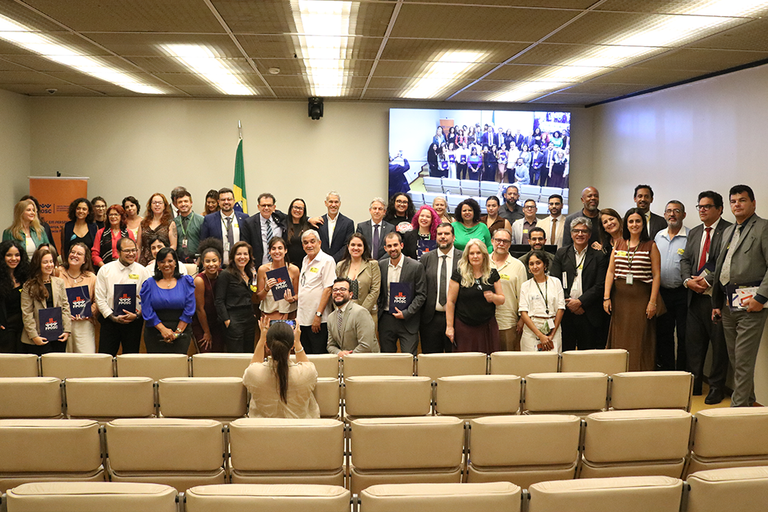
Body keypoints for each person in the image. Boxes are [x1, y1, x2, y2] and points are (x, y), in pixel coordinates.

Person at [712, 185, 768, 407]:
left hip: (751, 305)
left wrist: (761, 298)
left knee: (743, 361)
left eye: (742, 200)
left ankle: (736, 412)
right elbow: (721, 268)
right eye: (733, 201)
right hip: (727, 304)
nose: (737, 204)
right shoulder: (728, 231)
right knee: (737, 361)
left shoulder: (763, 228)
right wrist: (716, 302)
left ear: (753, 203)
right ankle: (748, 404)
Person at [681, 191, 731, 403]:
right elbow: (685, 260)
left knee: (719, 347)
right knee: (694, 345)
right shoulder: (694, 232)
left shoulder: (729, 230)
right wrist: (688, 281)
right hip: (694, 298)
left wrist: (707, 281)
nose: (702, 210)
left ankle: (717, 388)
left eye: (707, 206)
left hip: (717, 299)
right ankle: (695, 384)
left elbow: (724, 260)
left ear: (719, 209)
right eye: (699, 206)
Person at [604, 208, 662, 371]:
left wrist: (652, 302)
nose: (634, 224)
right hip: (620, 299)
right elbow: (610, 271)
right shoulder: (619, 243)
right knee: (620, 338)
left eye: (638, 221)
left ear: (643, 224)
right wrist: (606, 297)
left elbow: (657, 275)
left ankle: (639, 374)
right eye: (631, 221)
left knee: (640, 339)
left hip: (641, 299)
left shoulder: (651, 246)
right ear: (626, 224)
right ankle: (618, 372)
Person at [243, 316, 320, 419]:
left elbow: (253, 366)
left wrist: (262, 339)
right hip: (300, 433)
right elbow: (306, 365)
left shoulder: (254, 373)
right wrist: (298, 342)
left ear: (267, 345)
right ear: (292, 345)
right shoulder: (307, 372)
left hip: (262, 433)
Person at [551, 218, 609, 351]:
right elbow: (555, 280)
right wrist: (569, 303)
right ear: (571, 234)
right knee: (566, 351)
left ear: (589, 235)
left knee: (587, 353)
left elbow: (600, 285)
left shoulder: (599, 256)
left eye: (584, 231)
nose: (580, 234)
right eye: (576, 231)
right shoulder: (562, 253)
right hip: (566, 311)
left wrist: (580, 302)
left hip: (588, 311)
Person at [445, 238, 504, 354]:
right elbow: (450, 302)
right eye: (472, 253)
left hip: (487, 326)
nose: (475, 256)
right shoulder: (458, 274)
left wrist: (493, 297)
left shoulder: (492, 274)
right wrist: (449, 327)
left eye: (478, 253)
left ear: (484, 255)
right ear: (467, 256)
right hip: (464, 326)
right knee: (466, 363)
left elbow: (501, 299)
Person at [95, 237, 147, 356]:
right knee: (105, 358)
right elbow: (100, 298)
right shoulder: (105, 270)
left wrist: (138, 315)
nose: (131, 254)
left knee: (131, 360)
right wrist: (112, 316)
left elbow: (147, 298)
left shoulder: (143, 271)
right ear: (118, 252)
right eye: (127, 251)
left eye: (134, 250)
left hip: (134, 321)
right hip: (110, 321)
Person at [377, 232, 426, 355]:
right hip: (386, 319)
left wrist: (407, 313)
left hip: (408, 320)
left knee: (409, 359)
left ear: (402, 245)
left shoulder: (416, 267)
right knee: (387, 360)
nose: (393, 249)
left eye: (395, 245)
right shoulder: (380, 265)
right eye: (389, 246)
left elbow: (421, 295)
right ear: (385, 248)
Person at [654, 201, 689, 371]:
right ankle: (667, 371)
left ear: (684, 215)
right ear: (664, 215)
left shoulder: (691, 236)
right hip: (662, 294)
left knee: (684, 335)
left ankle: (682, 372)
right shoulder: (658, 236)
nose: (672, 214)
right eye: (668, 211)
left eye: (676, 211)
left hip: (683, 294)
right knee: (664, 334)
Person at [140, 247, 195, 354]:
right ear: (158, 265)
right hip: (155, 331)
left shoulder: (186, 281)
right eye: (162, 262)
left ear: (176, 263)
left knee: (179, 368)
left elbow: (189, 309)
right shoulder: (149, 284)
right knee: (157, 368)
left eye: (170, 261)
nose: (166, 264)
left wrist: (177, 333)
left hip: (181, 331)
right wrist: (163, 330)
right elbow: (147, 310)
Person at [420, 223, 462, 354]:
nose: (443, 237)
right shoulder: (426, 258)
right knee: (430, 360)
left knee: (454, 360)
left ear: (454, 237)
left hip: (457, 318)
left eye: (447, 234)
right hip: (430, 319)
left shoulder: (463, 259)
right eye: (440, 234)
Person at [20, 246, 71, 354]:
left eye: (51, 261)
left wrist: (66, 330)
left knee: (56, 368)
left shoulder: (59, 282)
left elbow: (65, 307)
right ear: (38, 264)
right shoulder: (28, 286)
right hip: (38, 337)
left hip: (58, 335)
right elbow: (27, 313)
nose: (49, 265)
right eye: (45, 262)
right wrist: (34, 336)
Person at [297, 230, 336, 354]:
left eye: (312, 241)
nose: (309, 245)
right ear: (302, 246)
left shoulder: (327, 261)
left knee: (318, 356)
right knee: (305, 355)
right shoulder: (304, 260)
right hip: (303, 319)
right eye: (306, 242)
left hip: (318, 320)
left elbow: (328, 289)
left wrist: (318, 315)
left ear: (319, 242)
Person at [214, 241, 257, 353]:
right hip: (233, 319)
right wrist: (227, 320)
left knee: (249, 353)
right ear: (233, 256)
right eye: (239, 254)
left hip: (248, 318)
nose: (242, 257)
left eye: (245, 254)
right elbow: (219, 300)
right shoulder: (226, 274)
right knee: (236, 355)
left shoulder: (249, 274)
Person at [519, 250, 565, 352]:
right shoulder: (525, 285)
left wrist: (551, 334)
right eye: (531, 264)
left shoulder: (555, 282)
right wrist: (540, 336)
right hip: (532, 332)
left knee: (552, 364)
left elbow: (561, 308)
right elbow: (523, 312)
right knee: (532, 365)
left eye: (538, 263)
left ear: (545, 265)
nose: (535, 266)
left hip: (553, 329)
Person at [490, 228, 528, 351]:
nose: (501, 244)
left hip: (507, 322)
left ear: (510, 244)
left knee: (507, 362)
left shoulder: (518, 266)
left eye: (505, 241)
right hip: (484, 321)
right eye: (498, 240)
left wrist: (522, 320)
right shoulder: (483, 262)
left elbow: (523, 296)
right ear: (492, 241)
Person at [59, 242, 98, 353]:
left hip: (84, 324)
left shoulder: (91, 277)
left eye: (79, 254)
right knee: (65, 360)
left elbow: (97, 301)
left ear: (85, 260)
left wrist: (88, 312)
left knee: (87, 359)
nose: (74, 255)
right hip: (63, 323)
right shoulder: (58, 273)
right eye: (73, 252)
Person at [327, 277, 379, 356]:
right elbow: (330, 345)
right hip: (345, 363)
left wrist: (348, 357)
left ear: (351, 294)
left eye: (342, 289)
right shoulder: (330, 317)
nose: (338, 292)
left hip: (367, 362)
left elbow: (366, 345)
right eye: (335, 290)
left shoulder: (360, 312)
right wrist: (339, 353)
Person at [336, 233, 380, 319]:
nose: (356, 248)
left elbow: (375, 290)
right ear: (348, 247)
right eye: (353, 245)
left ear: (364, 247)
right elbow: (336, 290)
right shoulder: (340, 266)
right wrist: (340, 310)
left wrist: (361, 312)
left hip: (367, 313)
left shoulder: (373, 265)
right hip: (344, 315)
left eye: (359, 245)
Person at [200, 188, 249, 265]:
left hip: (240, 265)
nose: (226, 202)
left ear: (234, 201)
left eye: (229, 199)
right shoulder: (209, 219)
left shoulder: (244, 218)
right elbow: (204, 243)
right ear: (218, 202)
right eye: (223, 200)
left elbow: (248, 242)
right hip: (218, 266)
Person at [192, 239, 226, 353]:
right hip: (202, 323)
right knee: (206, 352)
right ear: (202, 262)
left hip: (218, 322)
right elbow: (199, 309)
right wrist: (206, 332)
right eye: (207, 261)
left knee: (219, 355)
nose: (211, 264)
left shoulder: (223, 275)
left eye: (214, 260)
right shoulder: (199, 280)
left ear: (220, 261)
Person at [256, 237, 299, 321]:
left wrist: (292, 299)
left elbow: (298, 294)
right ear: (269, 251)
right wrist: (266, 289)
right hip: (268, 314)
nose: (277, 251)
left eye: (280, 248)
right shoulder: (262, 270)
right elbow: (259, 297)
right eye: (273, 248)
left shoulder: (294, 270)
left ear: (285, 250)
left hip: (289, 313)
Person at [0, 241, 30, 353]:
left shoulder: (25, 276)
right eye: (9, 255)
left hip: (24, 328)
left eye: (17, 255)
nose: (14, 258)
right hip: (5, 330)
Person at [242, 192, 287, 266]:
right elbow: (245, 245)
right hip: (258, 265)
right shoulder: (249, 223)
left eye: (269, 205)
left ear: (274, 207)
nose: (266, 208)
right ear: (258, 207)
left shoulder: (281, 219)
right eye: (263, 205)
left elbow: (294, 218)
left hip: (279, 264)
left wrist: (309, 219)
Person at [91, 204, 136, 269]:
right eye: (110, 215)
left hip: (125, 267)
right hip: (104, 267)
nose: (113, 217)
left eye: (116, 214)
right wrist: (104, 267)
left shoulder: (128, 233)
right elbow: (95, 254)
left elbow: (134, 253)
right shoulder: (100, 233)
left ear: (121, 216)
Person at [139, 193, 177, 265]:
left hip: (164, 261)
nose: (157, 205)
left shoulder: (170, 224)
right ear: (150, 206)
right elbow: (138, 246)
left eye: (160, 203)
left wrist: (161, 258)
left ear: (164, 206)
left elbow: (173, 246)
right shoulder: (143, 223)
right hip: (144, 261)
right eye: (154, 203)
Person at [316, 191, 355, 263]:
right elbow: (316, 243)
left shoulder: (348, 223)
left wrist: (332, 260)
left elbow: (347, 245)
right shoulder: (319, 222)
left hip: (341, 263)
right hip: (321, 262)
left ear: (339, 204)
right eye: (331, 202)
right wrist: (324, 259)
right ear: (326, 203)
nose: (333, 205)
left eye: (336, 202)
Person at [173, 189, 204, 263]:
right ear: (176, 205)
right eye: (180, 202)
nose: (183, 204)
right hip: (179, 261)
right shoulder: (174, 222)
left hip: (197, 260)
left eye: (186, 201)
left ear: (191, 203)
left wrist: (200, 260)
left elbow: (204, 242)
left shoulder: (201, 220)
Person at [285, 198, 311, 265]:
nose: (297, 210)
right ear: (291, 208)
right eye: (295, 207)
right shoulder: (284, 224)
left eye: (300, 208)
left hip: (305, 263)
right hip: (287, 264)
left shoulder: (309, 226)